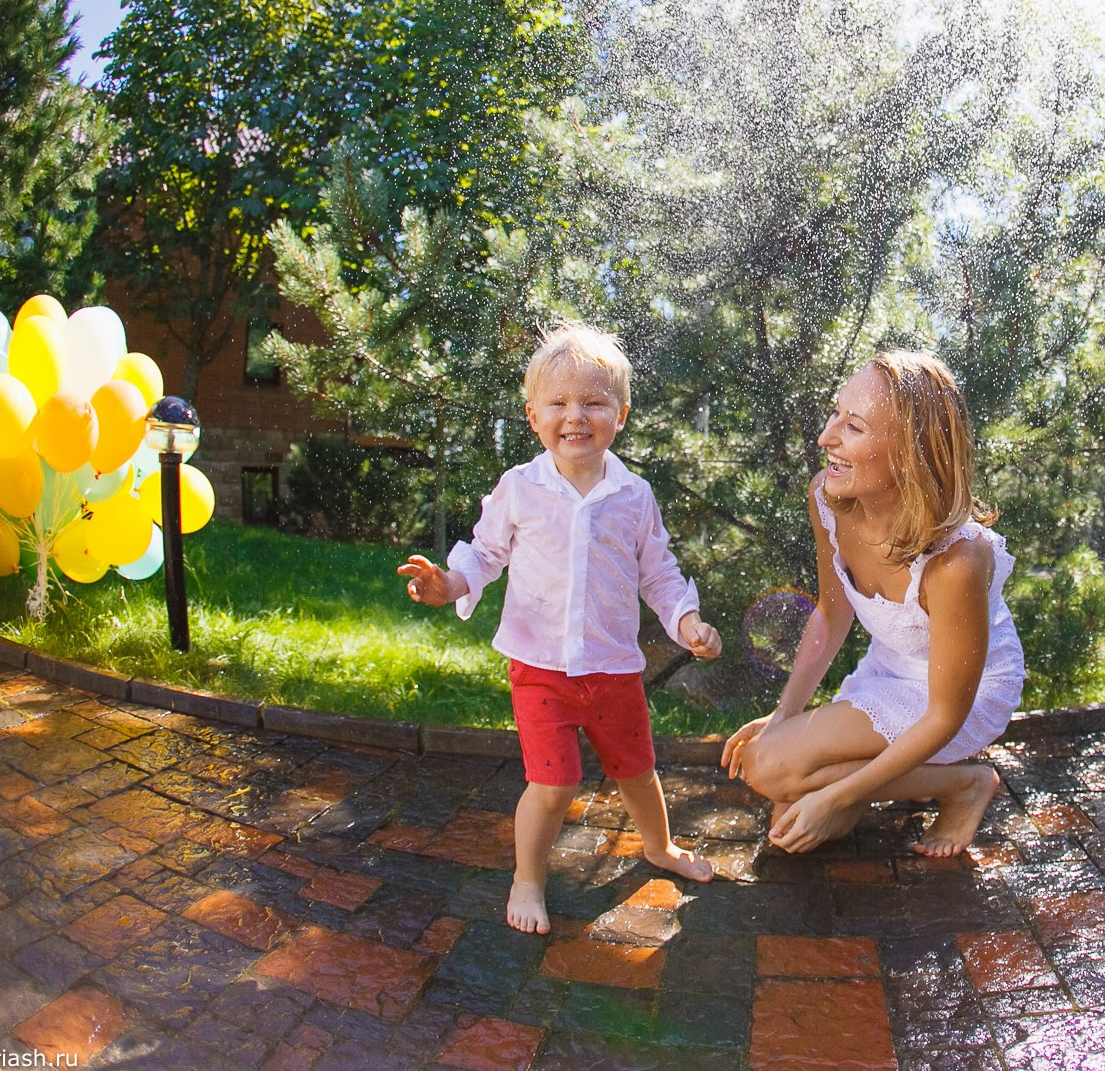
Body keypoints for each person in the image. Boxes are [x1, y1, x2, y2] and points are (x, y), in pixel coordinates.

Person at [398, 321, 723, 933]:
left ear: (620, 415)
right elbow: (484, 552)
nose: (576, 416)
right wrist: (450, 584)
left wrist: (687, 622)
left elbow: (658, 572)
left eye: (594, 402)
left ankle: (659, 847)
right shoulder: (520, 489)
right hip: (540, 667)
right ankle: (528, 879)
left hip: (613, 668)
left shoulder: (633, 496)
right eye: (559, 403)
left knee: (635, 768)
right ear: (533, 417)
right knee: (554, 784)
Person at [721, 350, 1025, 857]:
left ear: (909, 449)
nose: (826, 438)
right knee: (791, 827)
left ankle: (963, 784)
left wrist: (835, 794)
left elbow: (944, 715)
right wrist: (784, 715)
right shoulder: (830, 498)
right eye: (835, 413)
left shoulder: (957, 561)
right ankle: (931, 779)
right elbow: (832, 613)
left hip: (959, 696)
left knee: (772, 769)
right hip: (888, 670)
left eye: (853, 426)